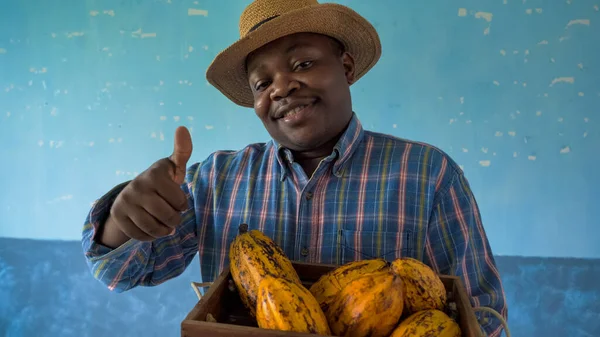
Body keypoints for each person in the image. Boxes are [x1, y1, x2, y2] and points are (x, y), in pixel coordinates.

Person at [81, 0, 508, 335]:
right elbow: (120, 274)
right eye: (262, 83)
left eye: (303, 63)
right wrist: (123, 216)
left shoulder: (428, 175)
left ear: (345, 67)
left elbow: (481, 315)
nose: (282, 86)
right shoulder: (216, 180)